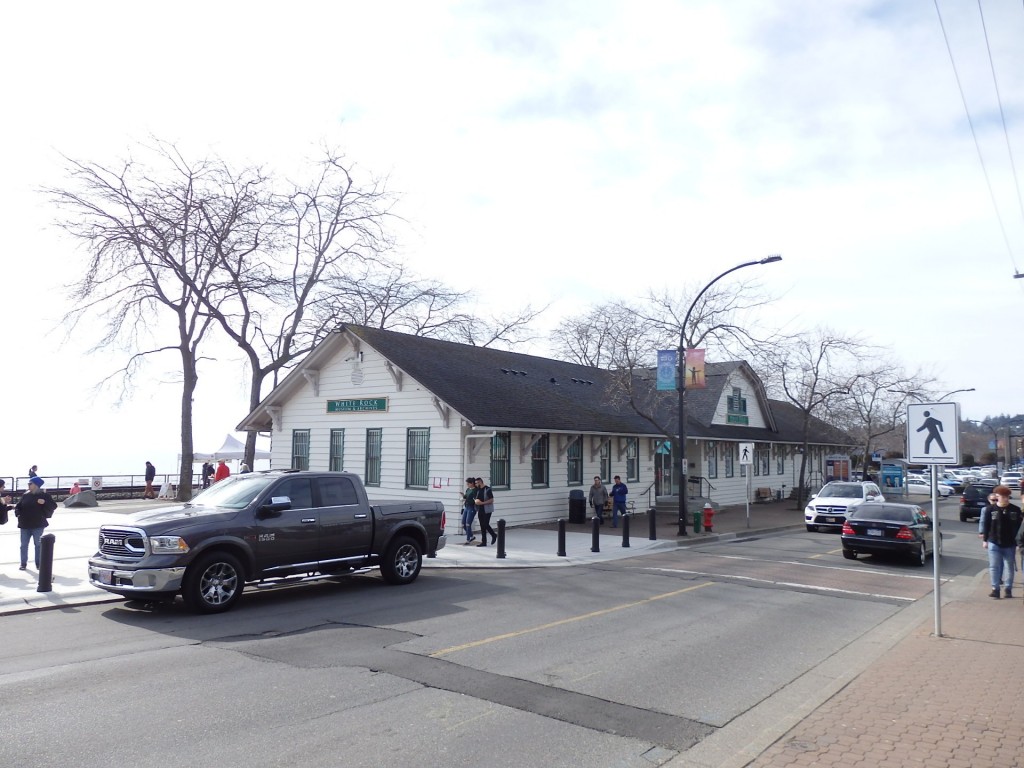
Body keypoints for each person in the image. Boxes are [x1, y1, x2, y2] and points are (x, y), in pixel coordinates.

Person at [981, 485, 1022, 599]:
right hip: (994, 542)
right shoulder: (990, 509)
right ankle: (995, 589)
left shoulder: (1015, 510)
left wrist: (1018, 542)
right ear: (997, 496)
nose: (1004, 499)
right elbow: (986, 525)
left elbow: (1019, 527)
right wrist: (985, 540)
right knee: (994, 566)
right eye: (1001, 496)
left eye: (1006, 497)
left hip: (1010, 543)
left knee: (1009, 566)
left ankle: (1008, 588)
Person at [15, 476, 56, 570]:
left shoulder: (44, 495)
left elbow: (53, 506)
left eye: (30, 484)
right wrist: (18, 515)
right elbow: (18, 506)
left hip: (38, 525)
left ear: (36, 485)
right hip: (24, 525)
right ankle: (23, 563)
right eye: (28, 484)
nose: (28, 485)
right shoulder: (25, 495)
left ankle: (38, 563)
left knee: (38, 545)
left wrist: (44, 502)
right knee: (23, 545)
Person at [473, 477, 496, 547]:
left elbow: (491, 500)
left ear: (480, 482)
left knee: (486, 524)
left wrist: (482, 503)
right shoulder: (478, 490)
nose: (476, 484)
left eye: (477, 483)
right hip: (480, 509)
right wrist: (476, 501)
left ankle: (494, 535)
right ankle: (484, 542)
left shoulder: (487, 489)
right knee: (482, 526)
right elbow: (476, 498)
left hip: (487, 509)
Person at [461, 477, 477, 545]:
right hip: (466, 507)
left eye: (468, 483)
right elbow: (466, 497)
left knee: (468, 523)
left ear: (472, 483)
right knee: (463, 523)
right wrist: (463, 496)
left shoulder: (475, 490)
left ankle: (468, 539)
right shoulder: (468, 489)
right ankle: (471, 536)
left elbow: (474, 500)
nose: (467, 485)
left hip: (472, 507)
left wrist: (466, 499)